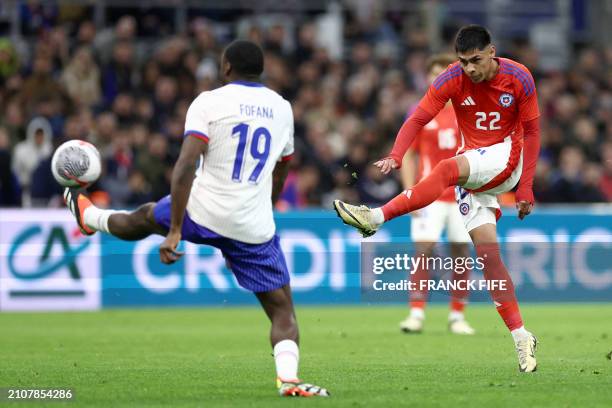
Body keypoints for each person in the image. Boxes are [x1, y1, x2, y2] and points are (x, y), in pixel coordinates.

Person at [64, 40, 329, 397]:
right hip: (251, 224)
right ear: (260, 71)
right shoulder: (282, 109)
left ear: (226, 68)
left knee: (142, 218)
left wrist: (174, 230)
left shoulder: (208, 101)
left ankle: (90, 217)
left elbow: (186, 164)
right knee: (283, 310)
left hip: (201, 211)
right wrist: (266, 205)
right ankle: (290, 380)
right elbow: (282, 170)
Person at [334, 25, 539, 372]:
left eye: (475, 60)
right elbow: (417, 117)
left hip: (507, 156)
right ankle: (522, 337)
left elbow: (532, 131)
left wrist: (526, 186)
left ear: (492, 52)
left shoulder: (518, 77)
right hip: (473, 167)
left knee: (445, 170)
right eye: (463, 62)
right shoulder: (451, 79)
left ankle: (376, 218)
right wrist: (398, 155)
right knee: (489, 259)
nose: (470, 69)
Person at [398, 54, 474, 336]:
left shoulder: (469, 110)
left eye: (443, 73)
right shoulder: (421, 110)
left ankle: (457, 315)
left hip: (462, 195)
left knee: (460, 253)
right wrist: (409, 190)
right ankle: (416, 313)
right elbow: (408, 153)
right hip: (428, 195)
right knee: (423, 251)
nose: (437, 78)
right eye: (433, 73)